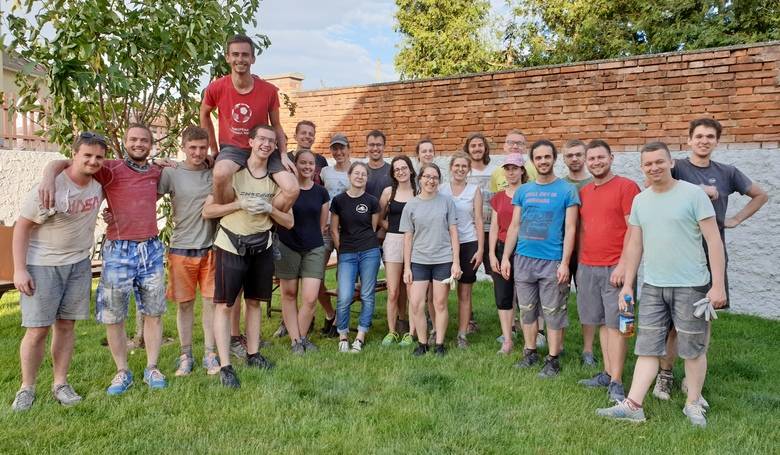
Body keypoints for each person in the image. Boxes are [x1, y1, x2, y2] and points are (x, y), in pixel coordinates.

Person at [596, 141, 726, 428]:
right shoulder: (640, 201)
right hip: (654, 286)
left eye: (659, 161)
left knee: (693, 349)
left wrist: (718, 286)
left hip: (692, 285)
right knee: (647, 347)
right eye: (648, 164)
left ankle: (693, 403)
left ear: (670, 163)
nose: (654, 167)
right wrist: (628, 284)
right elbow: (635, 245)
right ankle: (633, 406)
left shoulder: (693, 195)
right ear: (642, 167)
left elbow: (714, 241)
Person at [41, 124, 170, 394]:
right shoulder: (109, 168)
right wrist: (48, 178)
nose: (138, 144)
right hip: (119, 249)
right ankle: (122, 371)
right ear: (125, 142)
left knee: (154, 311)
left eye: (144, 140)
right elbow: (63, 162)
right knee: (114, 314)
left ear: (151, 144)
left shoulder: (157, 171)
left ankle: (152, 367)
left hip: (151, 248)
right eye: (133, 139)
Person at [651, 118, 769, 401]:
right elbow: (652, 185)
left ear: (717, 141)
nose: (704, 141)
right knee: (671, 322)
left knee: (702, 318)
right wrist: (699, 190)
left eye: (710, 137)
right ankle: (664, 374)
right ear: (689, 140)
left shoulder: (727, 172)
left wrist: (735, 219)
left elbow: (760, 195)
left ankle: (692, 380)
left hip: (710, 254)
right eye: (699, 136)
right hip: (677, 252)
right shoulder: (676, 167)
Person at [11, 133, 106, 411]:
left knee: (66, 326)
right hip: (42, 265)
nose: (93, 161)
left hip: (78, 265)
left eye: (98, 157)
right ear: (74, 154)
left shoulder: (99, 183)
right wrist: (19, 270)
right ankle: (26, 388)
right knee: (37, 330)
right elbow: (22, 227)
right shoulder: (50, 188)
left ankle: (60, 383)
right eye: (87, 155)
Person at [202, 125, 293, 388]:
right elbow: (208, 212)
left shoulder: (276, 179)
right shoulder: (234, 173)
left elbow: (289, 221)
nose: (266, 144)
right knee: (225, 305)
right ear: (250, 142)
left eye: (271, 141)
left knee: (254, 303)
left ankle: (253, 354)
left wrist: (270, 209)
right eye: (261, 139)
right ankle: (225, 366)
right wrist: (239, 204)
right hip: (231, 244)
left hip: (262, 245)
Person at [501, 140, 579, 378]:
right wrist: (506, 257)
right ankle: (530, 352)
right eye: (538, 158)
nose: (543, 161)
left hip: (552, 261)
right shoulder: (523, 191)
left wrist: (564, 263)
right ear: (532, 161)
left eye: (547, 157)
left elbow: (571, 228)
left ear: (554, 158)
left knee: (553, 312)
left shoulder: (567, 190)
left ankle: (553, 359)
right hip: (524, 259)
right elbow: (515, 226)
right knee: (527, 310)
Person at [199, 34, 298, 210]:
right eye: (235, 54)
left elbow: (276, 125)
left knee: (292, 189)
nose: (240, 59)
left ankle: (267, 217)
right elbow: (204, 114)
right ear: (227, 57)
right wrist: (213, 149)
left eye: (245, 55)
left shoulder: (268, 90)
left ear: (253, 59)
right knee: (220, 174)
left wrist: (283, 154)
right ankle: (229, 214)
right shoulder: (216, 87)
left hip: (263, 147)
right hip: (233, 148)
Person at [575, 140, 640, 403]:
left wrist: (624, 265)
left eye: (601, 157)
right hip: (588, 266)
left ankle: (617, 381)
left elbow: (634, 229)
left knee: (619, 325)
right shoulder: (585, 191)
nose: (596, 162)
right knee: (601, 322)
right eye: (591, 159)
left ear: (611, 158)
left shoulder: (626, 187)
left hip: (616, 267)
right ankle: (606, 372)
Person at [157, 126, 219, 376]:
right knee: (185, 305)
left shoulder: (214, 171)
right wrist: (155, 163)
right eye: (192, 147)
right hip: (181, 248)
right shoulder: (171, 173)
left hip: (211, 247)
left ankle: (210, 354)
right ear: (183, 147)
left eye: (202, 148)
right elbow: (147, 197)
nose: (198, 152)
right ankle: (186, 355)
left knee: (211, 304)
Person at [401, 163, 461, 356]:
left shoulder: (447, 202)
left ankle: (440, 344)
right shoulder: (411, 205)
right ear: (420, 179)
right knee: (416, 303)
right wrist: (407, 267)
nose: (431, 180)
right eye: (427, 176)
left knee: (439, 303)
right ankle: (423, 343)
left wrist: (456, 262)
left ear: (439, 181)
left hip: (443, 259)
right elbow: (408, 238)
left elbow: (454, 233)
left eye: (435, 177)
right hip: (419, 260)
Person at [274, 150, 330, 353]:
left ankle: (302, 336)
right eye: (303, 163)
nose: (307, 167)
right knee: (289, 294)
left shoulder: (321, 193)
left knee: (310, 298)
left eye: (311, 163)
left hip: (314, 247)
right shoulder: (286, 190)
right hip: (287, 245)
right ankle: (296, 341)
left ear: (315, 167)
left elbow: (322, 225)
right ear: (295, 165)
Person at [330, 162, 382, 353]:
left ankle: (360, 336)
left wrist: (364, 243)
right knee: (344, 295)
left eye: (363, 174)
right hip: (347, 253)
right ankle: (343, 335)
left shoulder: (372, 201)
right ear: (349, 175)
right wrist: (342, 249)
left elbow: (373, 228)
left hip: (369, 251)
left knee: (367, 295)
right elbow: (334, 229)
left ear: (367, 178)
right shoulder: (338, 201)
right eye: (356, 173)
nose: (360, 177)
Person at [439, 152, 483, 349]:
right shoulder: (441, 189)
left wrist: (480, 248)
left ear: (469, 169)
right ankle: (437, 329)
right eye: (457, 166)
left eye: (464, 166)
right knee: (440, 292)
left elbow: (479, 220)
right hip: (444, 244)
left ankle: (462, 334)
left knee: (464, 292)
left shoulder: (474, 190)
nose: (460, 169)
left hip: (468, 243)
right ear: (451, 168)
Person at [488, 153, 528, 355]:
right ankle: (507, 339)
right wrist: (492, 254)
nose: (511, 172)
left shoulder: (529, 193)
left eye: (515, 168)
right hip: (502, 248)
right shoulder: (499, 197)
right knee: (503, 294)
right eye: (508, 169)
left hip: (525, 249)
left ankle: (530, 339)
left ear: (522, 170)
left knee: (526, 296)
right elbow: (494, 227)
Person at [379, 155, 417, 347]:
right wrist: (393, 228)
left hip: (416, 243)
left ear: (410, 169)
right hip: (393, 241)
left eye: (404, 168)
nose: (401, 171)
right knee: (393, 291)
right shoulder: (388, 192)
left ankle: (411, 332)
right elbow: (379, 218)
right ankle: (392, 331)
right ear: (393, 174)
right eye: (397, 169)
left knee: (411, 290)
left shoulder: (418, 191)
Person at [316, 133, 352, 336]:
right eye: (335, 148)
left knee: (344, 276)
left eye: (342, 147)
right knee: (315, 274)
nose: (338, 152)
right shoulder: (325, 172)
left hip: (347, 230)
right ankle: (330, 313)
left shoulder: (356, 171)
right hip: (325, 228)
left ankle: (340, 319)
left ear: (349, 149)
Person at [463, 133, 497, 333]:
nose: (477, 148)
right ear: (468, 149)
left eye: (480, 145)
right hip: (471, 233)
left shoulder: (496, 171)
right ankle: (469, 320)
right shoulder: (464, 171)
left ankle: (511, 320)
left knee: (499, 276)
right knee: (467, 280)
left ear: (485, 148)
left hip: (493, 231)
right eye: (473, 145)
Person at [290, 120, 328, 185]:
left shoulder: (321, 160)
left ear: (314, 139)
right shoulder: (286, 158)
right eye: (303, 133)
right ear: (295, 136)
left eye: (311, 134)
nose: (307, 136)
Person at [364, 130, 392, 200]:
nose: (375, 148)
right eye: (371, 145)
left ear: (384, 147)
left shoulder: (392, 171)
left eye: (379, 145)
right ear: (366, 146)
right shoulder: (361, 171)